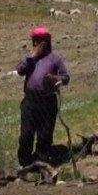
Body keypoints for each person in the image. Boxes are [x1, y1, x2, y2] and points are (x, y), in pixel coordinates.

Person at [15, 27, 70, 167]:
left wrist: (55, 78)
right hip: (30, 103)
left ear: (45, 42)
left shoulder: (55, 59)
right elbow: (20, 70)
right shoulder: (30, 59)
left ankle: (41, 164)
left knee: (44, 136)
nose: (34, 44)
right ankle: (25, 164)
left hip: (47, 102)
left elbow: (66, 77)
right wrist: (33, 56)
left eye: (37, 41)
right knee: (26, 135)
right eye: (34, 41)